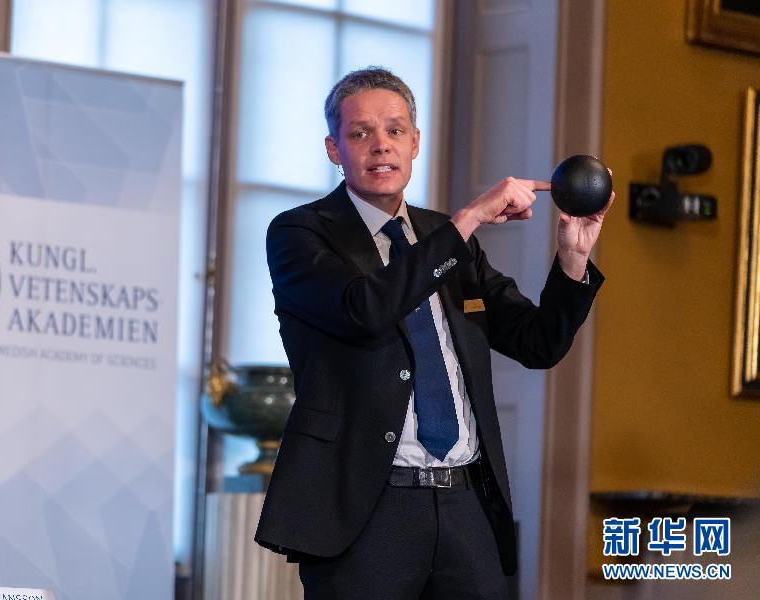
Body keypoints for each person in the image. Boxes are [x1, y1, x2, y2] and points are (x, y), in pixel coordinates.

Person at [254, 67, 612, 599]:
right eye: (360, 133)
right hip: (366, 510)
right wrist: (467, 221)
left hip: (464, 503)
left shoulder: (444, 237)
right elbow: (364, 308)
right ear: (334, 149)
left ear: (415, 142)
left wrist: (572, 258)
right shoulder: (299, 232)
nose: (381, 145)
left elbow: (538, 343)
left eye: (395, 130)